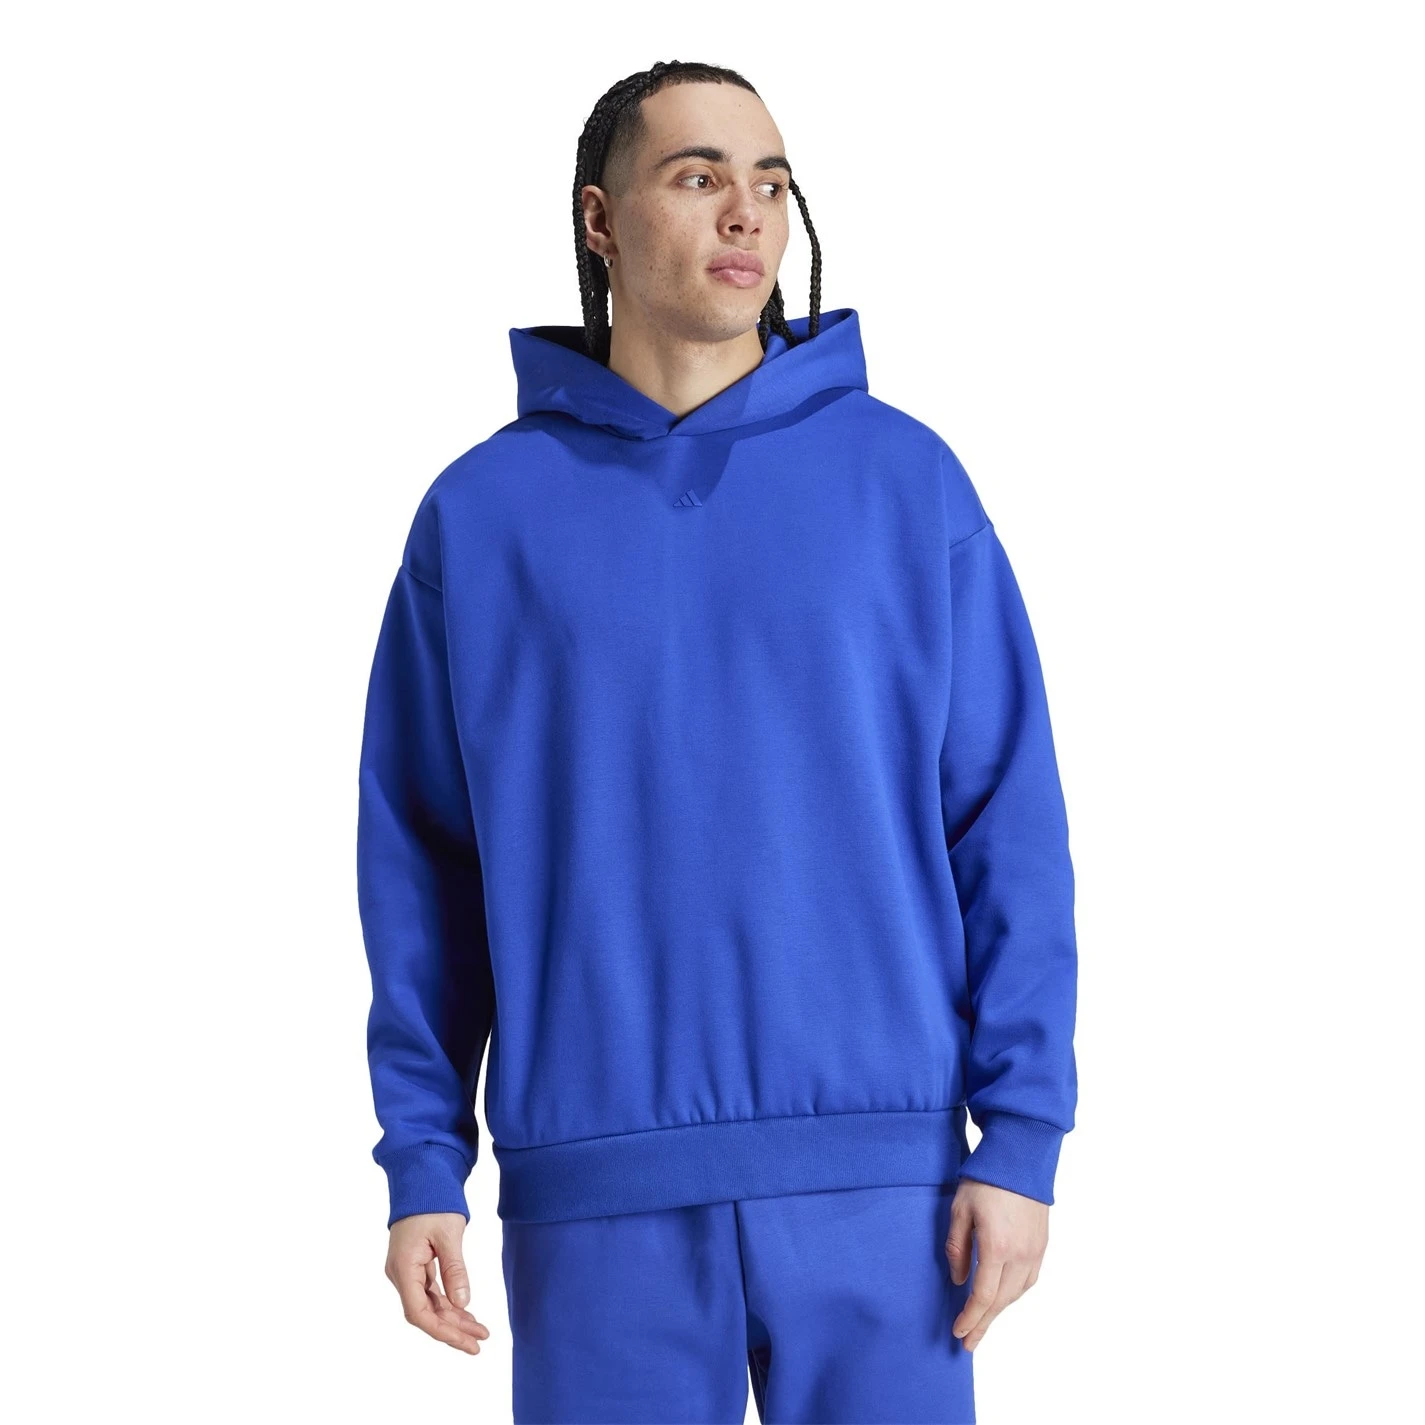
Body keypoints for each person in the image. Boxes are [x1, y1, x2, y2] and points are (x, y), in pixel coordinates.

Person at [356, 58, 1078, 1425]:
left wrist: (1023, 1136)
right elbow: (422, 867)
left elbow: (1007, 825)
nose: (748, 212)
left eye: (771, 183)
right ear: (600, 218)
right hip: (595, 1197)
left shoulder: (907, 484)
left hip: (890, 1191)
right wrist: (421, 1164)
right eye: (699, 177)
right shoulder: (483, 517)